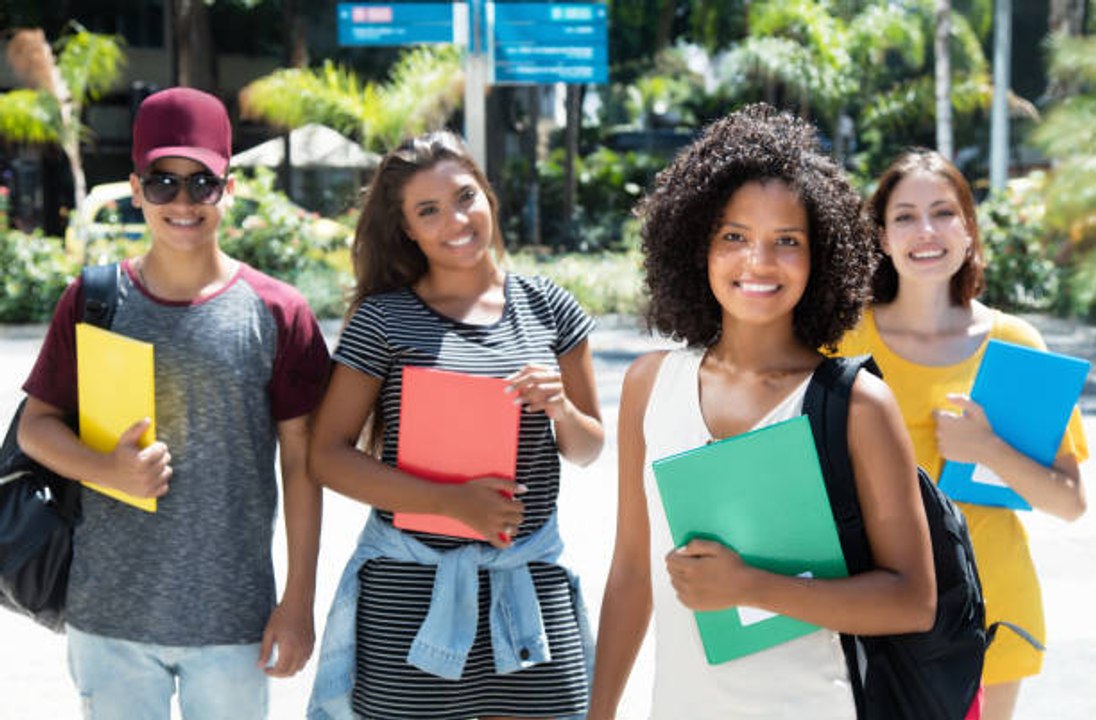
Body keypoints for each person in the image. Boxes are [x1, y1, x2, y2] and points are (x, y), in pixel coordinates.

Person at [587, 104, 938, 720]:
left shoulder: (856, 404)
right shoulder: (649, 385)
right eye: (734, 237)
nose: (759, 262)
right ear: (696, 245)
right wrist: (599, 711)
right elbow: (630, 574)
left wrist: (751, 586)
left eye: (787, 241)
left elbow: (913, 601)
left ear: (821, 254)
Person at [17, 87, 330, 719]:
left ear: (229, 189)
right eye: (162, 183)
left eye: (201, 183)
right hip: (109, 615)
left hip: (234, 616)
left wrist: (298, 601)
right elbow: (35, 427)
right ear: (135, 190)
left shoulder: (278, 311)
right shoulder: (95, 299)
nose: (182, 202)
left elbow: (303, 464)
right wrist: (105, 468)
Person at [306, 130, 604, 720]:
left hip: (530, 589)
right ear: (407, 230)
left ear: (488, 196)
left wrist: (561, 410)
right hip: (409, 598)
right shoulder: (383, 320)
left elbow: (589, 447)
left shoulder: (551, 307)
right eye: (429, 211)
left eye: (465, 196)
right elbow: (327, 454)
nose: (455, 220)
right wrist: (450, 503)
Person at [836, 148, 1088, 720]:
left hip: (993, 614)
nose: (926, 230)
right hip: (874, 613)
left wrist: (986, 449)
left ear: (969, 230)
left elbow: (1069, 502)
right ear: (881, 236)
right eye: (904, 216)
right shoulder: (843, 342)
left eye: (944, 212)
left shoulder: (1016, 344)